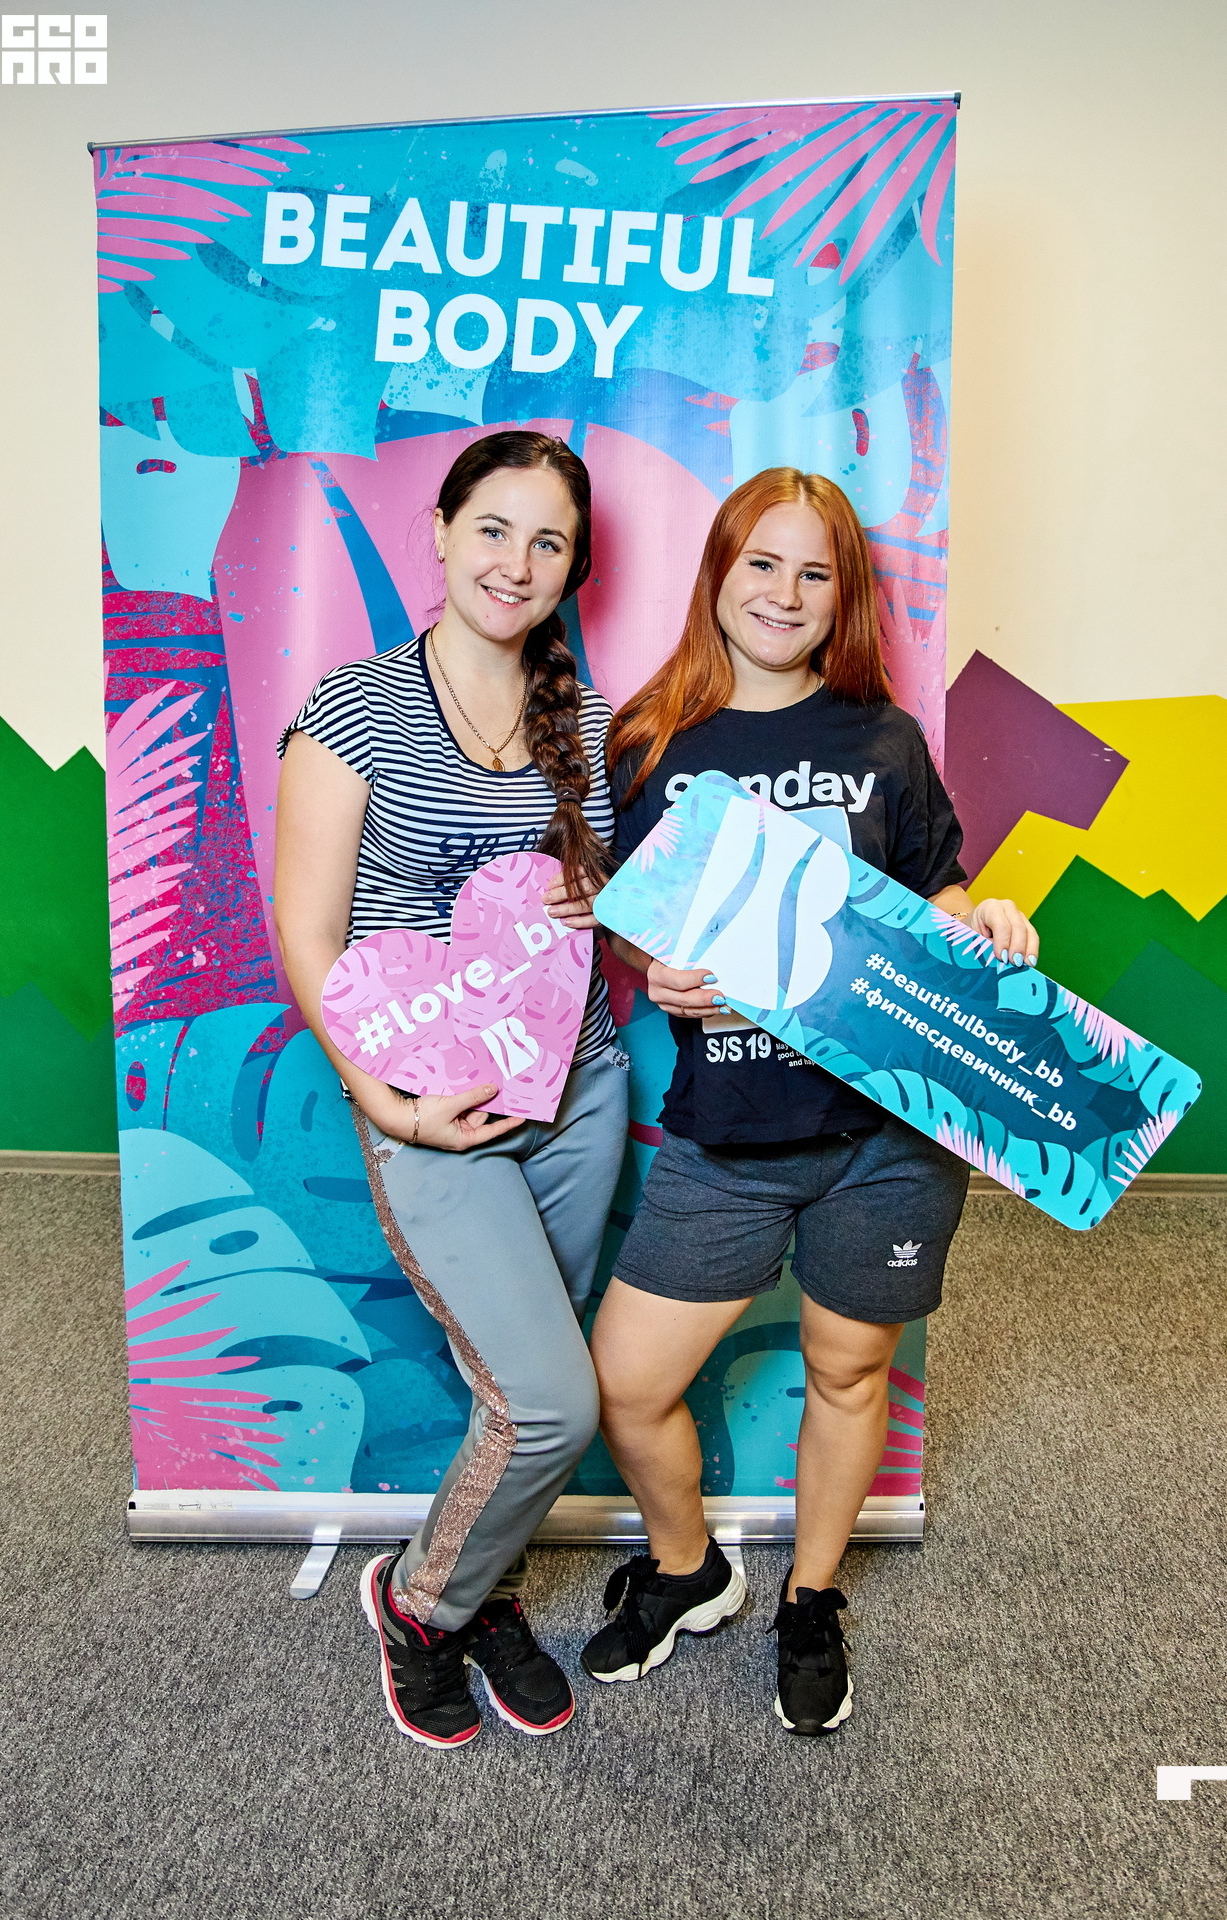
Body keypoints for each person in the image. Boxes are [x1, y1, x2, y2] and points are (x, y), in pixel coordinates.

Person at [581, 467, 1039, 1735]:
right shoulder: (651, 740)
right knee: (626, 1383)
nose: (783, 593)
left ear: (842, 596)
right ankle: (688, 1571)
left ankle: (810, 1599)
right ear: (718, 573)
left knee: (849, 1373)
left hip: (884, 1141)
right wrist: (650, 969)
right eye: (761, 563)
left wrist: (987, 925)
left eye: (814, 572)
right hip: (725, 1134)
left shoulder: (880, 739)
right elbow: (622, 922)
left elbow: (938, 894)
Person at [274, 430, 626, 1750]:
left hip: (579, 1093)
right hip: (427, 1109)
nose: (515, 563)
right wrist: (385, 1105)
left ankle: (480, 1593)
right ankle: (420, 1606)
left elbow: (616, 912)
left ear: (573, 568)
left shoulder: (593, 723)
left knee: (521, 1389)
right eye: (493, 528)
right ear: (438, 529)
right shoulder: (354, 708)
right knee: (550, 1402)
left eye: (548, 542)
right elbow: (308, 934)